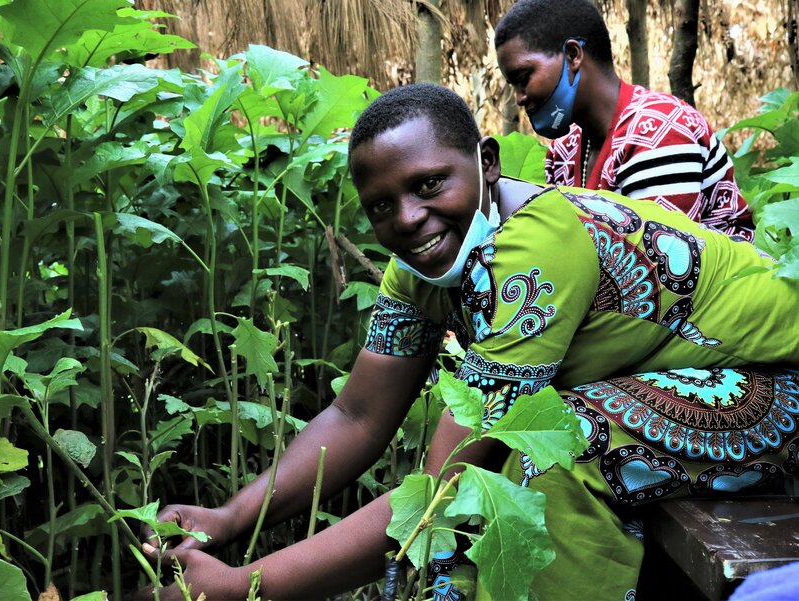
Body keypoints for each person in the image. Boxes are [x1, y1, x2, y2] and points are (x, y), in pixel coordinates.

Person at [138, 84, 799, 600]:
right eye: (380, 206)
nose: (408, 219)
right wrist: (226, 516)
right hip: (702, 389)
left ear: (486, 160)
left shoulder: (536, 252)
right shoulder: (419, 268)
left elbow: (440, 488)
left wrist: (242, 585)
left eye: (429, 185)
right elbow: (358, 414)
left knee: (554, 447)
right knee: (514, 457)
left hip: (779, 383)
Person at [493, 0, 755, 240]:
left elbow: (663, 268)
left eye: (523, 77)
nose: (519, 98)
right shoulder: (563, 152)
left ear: (573, 55)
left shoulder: (659, 132)